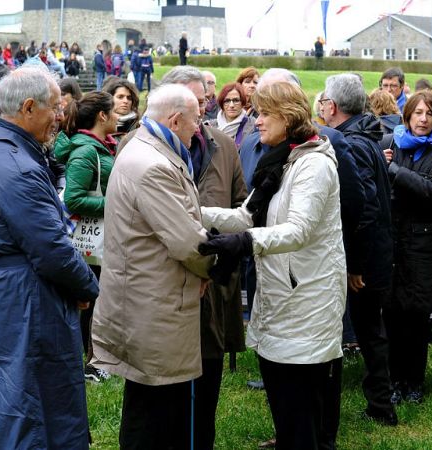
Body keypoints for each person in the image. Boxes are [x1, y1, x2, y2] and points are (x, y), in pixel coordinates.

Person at [0, 67, 99, 449]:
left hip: (5, 292)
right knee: (30, 403)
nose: (60, 117)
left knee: (6, 395)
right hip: (27, 300)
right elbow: (52, 249)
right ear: (30, 107)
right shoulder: (17, 167)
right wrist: (87, 287)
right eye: (56, 108)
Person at [200, 80, 346, 450]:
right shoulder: (281, 160)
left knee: (301, 406)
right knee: (285, 404)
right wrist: (190, 210)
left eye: (264, 113)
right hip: (282, 297)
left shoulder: (312, 165)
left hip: (307, 300)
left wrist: (243, 243)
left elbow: (297, 231)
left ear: (287, 116)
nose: (257, 120)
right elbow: (247, 216)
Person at [91, 83, 212, 449]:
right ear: (174, 120)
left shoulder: (145, 147)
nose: (198, 129)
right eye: (194, 121)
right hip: (154, 305)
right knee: (156, 411)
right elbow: (187, 242)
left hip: (145, 299)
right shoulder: (154, 165)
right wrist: (215, 264)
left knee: (148, 404)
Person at [143, 66, 248, 450]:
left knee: (207, 384)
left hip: (214, 285)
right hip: (168, 287)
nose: (201, 108)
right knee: (165, 398)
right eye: (193, 102)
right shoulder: (141, 150)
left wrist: (222, 253)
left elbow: (241, 204)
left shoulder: (223, 144)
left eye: (203, 99)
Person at [319, 74, 396, 425]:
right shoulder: (366, 136)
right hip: (374, 253)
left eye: (322, 103)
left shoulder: (351, 143)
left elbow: (364, 209)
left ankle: (381, 406)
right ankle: (380, 404)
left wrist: (356, 266)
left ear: (332, 107)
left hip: (365, 260)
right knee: (370, 330)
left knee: (367, 331)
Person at [382, 89, 432, 408]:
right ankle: (394, 380)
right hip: (393, 242)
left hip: (423, 244)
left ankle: (415, 382)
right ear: (406, 116)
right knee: (394, 315)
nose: (423, 119)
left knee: (417, 317)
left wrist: (396, 172)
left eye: (429, 114)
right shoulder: (390, 145)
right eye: (417, 113)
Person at [53, 92, 117, 383]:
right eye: (113, 112)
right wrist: (117, 205)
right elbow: (75, 199)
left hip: (97, 239)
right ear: (102, 116)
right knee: (90, 300)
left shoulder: (100, 147)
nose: (117, 117)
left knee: (94, 300)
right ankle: (88, 363)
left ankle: (93, 360)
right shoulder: (85, 151)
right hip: (89, 240)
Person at [212, 83, 255, 148]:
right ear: (221, 103)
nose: (231, 105)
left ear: (242, 102)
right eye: (227, 101)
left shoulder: (253, 126)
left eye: (236, 100)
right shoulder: (210, 126)